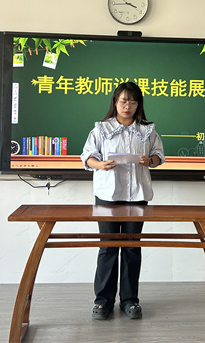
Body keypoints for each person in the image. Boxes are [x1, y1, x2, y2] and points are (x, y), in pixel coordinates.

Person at [81, 81, 165, 321]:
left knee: (131, 247)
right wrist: (100, 164)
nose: (128, 106)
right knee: (108, 247)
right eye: (123, 101)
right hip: (108, 197)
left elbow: (159, 155)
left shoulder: (147, 130)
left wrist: (150, 161)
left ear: (139, 104)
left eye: (133, 102)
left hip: (137, 197)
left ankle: (129, 300)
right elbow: (87, 156)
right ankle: (102, 301)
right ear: (115, 103)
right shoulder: (101, 129)